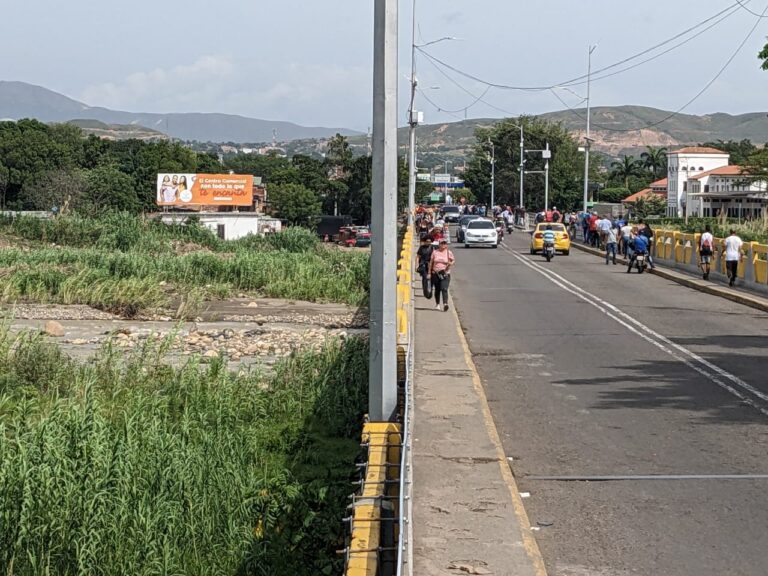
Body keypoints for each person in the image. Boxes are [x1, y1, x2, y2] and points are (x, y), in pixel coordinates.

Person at [428, 239, 455, 311]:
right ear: (439, 244)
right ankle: (437, 304)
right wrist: (429, 273)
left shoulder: (449, 253)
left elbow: (453, 260)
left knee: (444, 288)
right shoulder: (435, 252)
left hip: (445, 273)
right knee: (437, 289)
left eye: (444, 243)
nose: (443, 245)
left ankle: (445, 304)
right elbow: (431, 263)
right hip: (435, 273)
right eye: (442, 243)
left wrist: (451, 263)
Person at [416, 234, 434, 299]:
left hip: (430, 264)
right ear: (425, 241)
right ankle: (425, 290)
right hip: (423, 264)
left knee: (431, 278)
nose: (428, 243)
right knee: (425, 277)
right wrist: (416, 265)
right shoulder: (421, 247)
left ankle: (430, 290)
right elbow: (418, 257)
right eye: (427, 241)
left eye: (430, 241)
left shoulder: (432, 248)